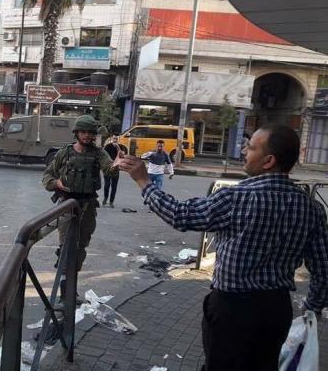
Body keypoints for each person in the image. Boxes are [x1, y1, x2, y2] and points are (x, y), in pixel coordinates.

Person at [116, 124, 328, 371]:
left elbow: (180, 215)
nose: (244, 151)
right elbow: (323, 268)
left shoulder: (236, 198)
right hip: (277, 310)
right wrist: (312, 308)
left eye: (251, 147)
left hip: (232, 311)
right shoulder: (311, 207)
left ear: (268, 161)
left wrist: (143, 181)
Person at [42, 115, 114, 303]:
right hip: (67, 206)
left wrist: (118, 164)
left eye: (90, 133)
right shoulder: (64, 153)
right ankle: (65, 294)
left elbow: (109, 168)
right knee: (66, 248)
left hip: (87, 207)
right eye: (84, 132)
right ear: (77, 133)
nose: (87, 136)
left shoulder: (99, 153)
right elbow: (47, 176)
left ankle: (71, 290)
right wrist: (56, 183)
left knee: (80, 249)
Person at [102, 134, 124, 207]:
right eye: (114, 138)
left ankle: (111, 201)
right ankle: (105, 198)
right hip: (108, 168)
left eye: (116, 139)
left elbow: (122, 156)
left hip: (116, 168)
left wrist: (118, 148)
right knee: (107, 185)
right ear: (111, 139)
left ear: (118, 139)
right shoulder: (108, 146)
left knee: (114, 186)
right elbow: (103, 156)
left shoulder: (121, 146)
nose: (115, 140)